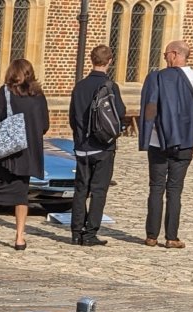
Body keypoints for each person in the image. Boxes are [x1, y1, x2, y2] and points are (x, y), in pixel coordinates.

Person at [0, 57, 49, 251]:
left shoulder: (5, 92)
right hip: (25, 153)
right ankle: (19, 238)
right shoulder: (38, 96)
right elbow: (44, 125)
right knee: (21, 196)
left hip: (4, 153)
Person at [139, 40, 193, 249]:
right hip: (185, 141)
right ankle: (171, 237)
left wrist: (149, 132)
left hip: (157, 142)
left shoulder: (157, 78)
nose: (164, 58)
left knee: (156, 187)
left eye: (165, 54)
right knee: (175, 190)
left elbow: (150, 108)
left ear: (175, 54)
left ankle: (151, 236)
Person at [69, 45, 125, 246]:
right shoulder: (110, 86)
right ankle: (90, 232)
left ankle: (76, 232)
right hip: (103, 146)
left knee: (80, 189)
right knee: (99, 190)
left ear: (92, 60)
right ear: (110, 61)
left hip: (82, 146)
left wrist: (78, 138)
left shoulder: (80, 86)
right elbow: (120, 112)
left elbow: (72, 116)